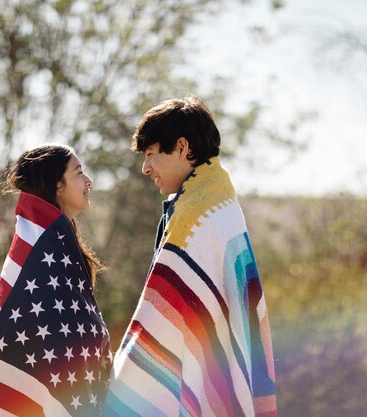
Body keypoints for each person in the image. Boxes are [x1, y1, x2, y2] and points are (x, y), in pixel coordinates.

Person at [103, 97, 277, 417]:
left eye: (152, 154)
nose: (146, 168)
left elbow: (161, 319)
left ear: (182, 147)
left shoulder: (195, 218)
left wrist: (122, 383)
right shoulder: (219, 203)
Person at [0, 144, 112, 417]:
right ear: (58, 186)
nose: (89, 181)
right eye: (79, 173)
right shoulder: (44, 250)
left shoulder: (58, 243)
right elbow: (57, 344)